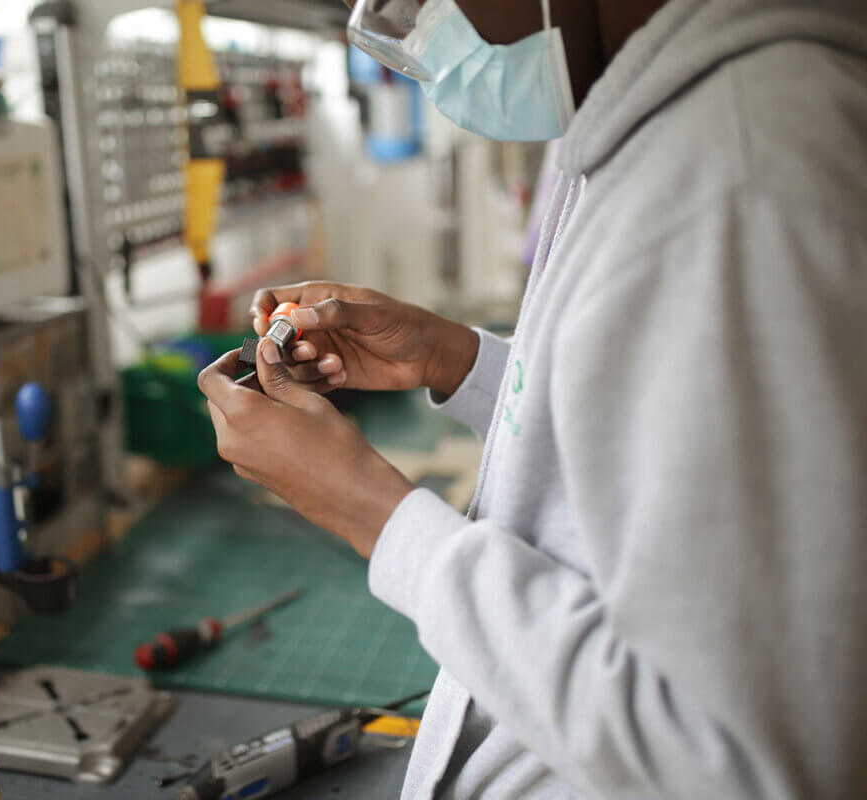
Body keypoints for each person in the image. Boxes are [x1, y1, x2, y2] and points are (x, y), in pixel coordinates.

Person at [198, 0, 867, 797]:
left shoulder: (738, 167)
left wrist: (370, 513)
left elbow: (735, 761)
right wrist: (455, 358)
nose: (408, 20)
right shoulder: (662, 122)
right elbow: (655, 419)